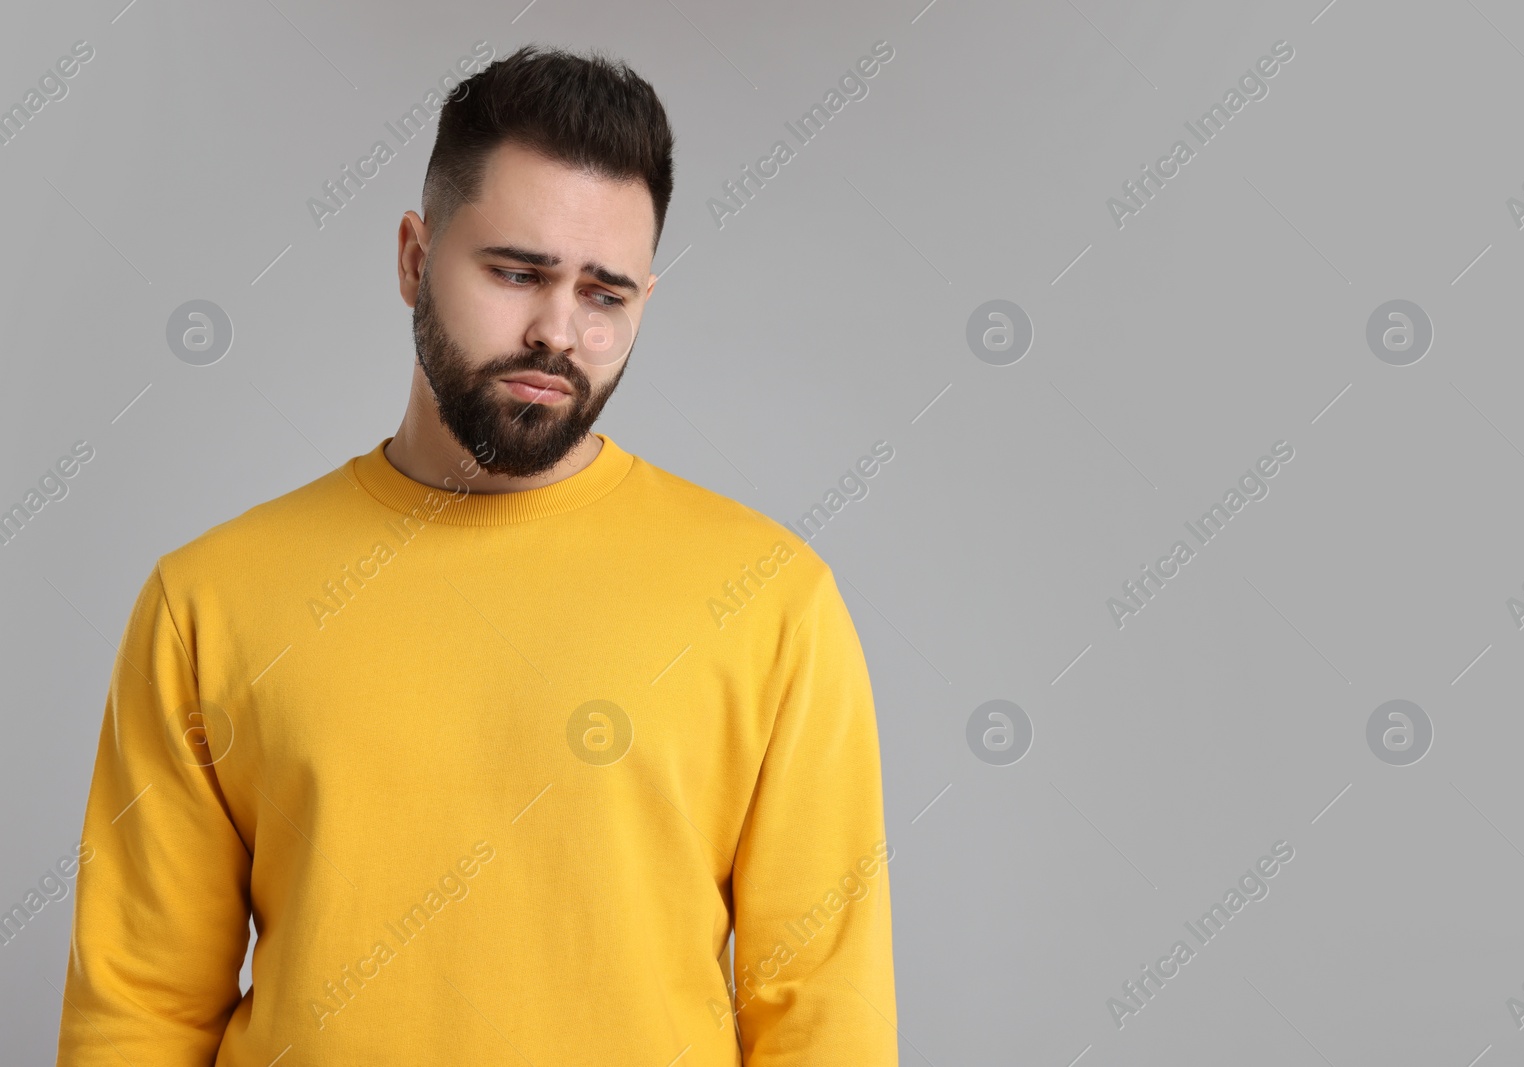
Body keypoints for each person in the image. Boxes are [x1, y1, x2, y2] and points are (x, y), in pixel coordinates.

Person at [54, 42, 897, 1066]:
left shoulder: (771, 601)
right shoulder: (208, 599)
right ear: (414, 256)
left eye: (605, 294)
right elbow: (137, 1011)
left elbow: (823, 1016)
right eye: (516, 271)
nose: (557, 331)